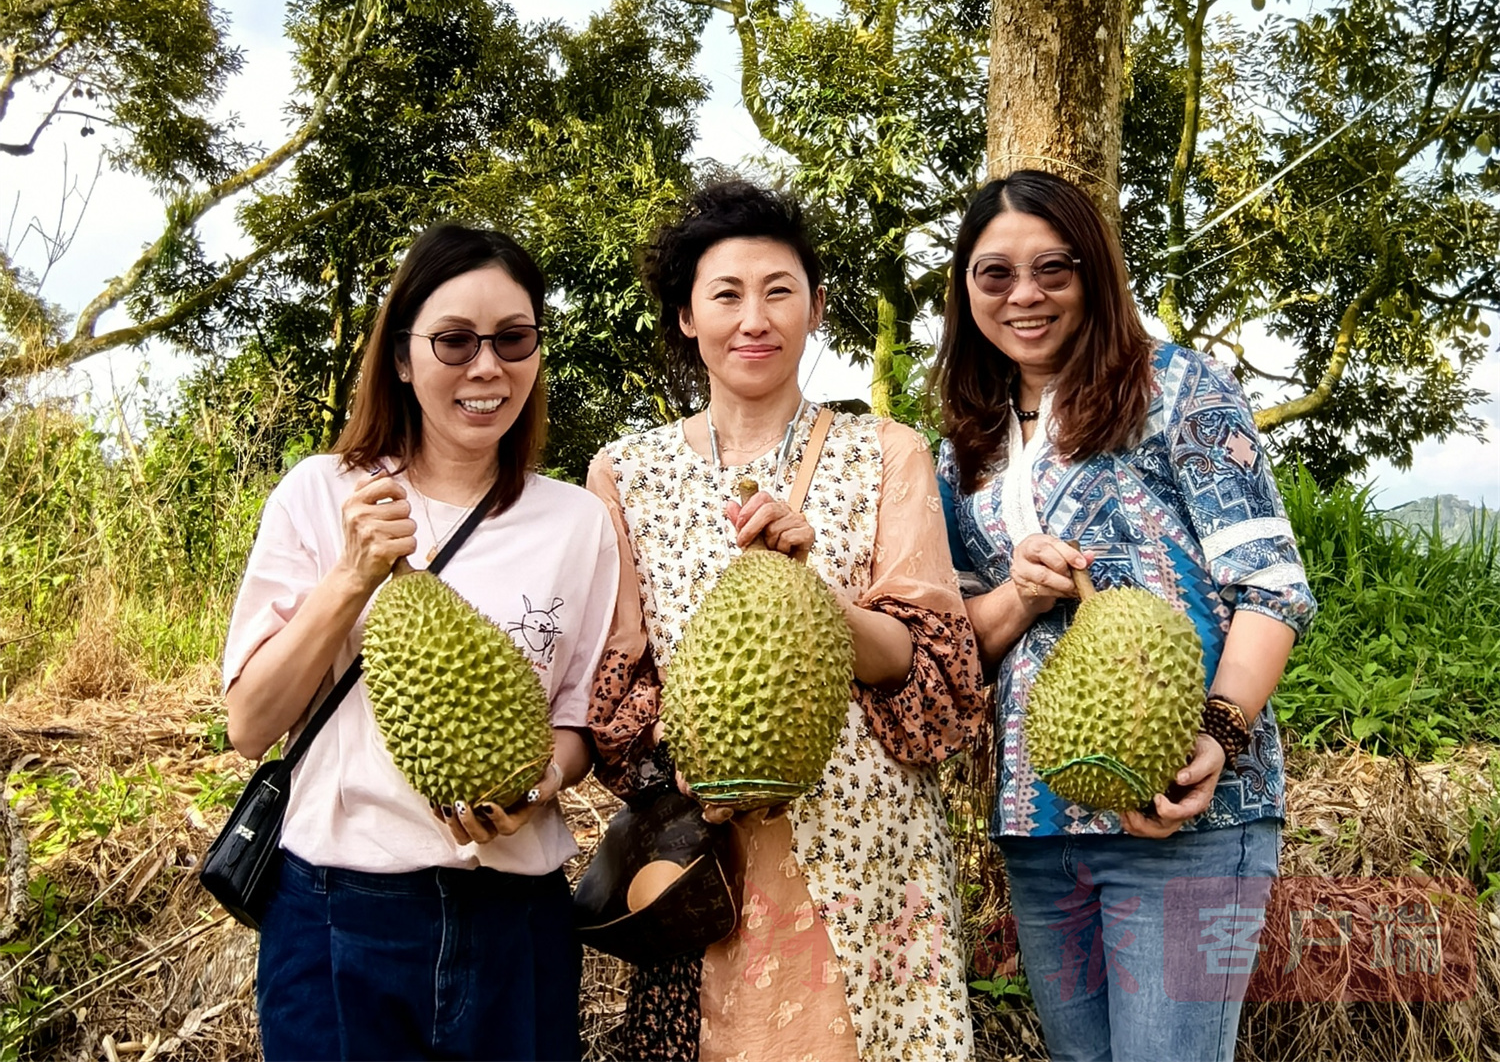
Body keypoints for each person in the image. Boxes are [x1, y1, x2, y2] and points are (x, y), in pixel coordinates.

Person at [587, 180, 988, 1062]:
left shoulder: (886, 453)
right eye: (726, 294)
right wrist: (694, 757)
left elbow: (931, 669)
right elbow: (619, 687)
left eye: (779, 290)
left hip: (866, 845)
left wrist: (818, 597)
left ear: (816, 306)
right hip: (708, 860)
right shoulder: (626, 473)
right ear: (687, 315)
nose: (754, 318)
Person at [933, 169, 1317, 1062]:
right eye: (996, 274)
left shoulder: (1176, 388)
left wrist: (1220, 731)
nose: (1025, 295)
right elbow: (959, 642)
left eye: (1052, 268)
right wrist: (1020, 593)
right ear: (967, 289)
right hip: (1039, 822)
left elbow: (1270, 586)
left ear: (1094, 272)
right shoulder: (965, 445)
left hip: (1190, 810)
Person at [222, 224, 618, 1062]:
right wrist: (351, 576)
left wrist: (541, 782)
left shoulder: (577, 522)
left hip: (517, 919)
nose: (488, 367)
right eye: (454, 340)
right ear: (402, 356)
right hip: (339, 912)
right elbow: (250, 723)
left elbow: (578, 719)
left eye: (513, 339)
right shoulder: (319, 493)